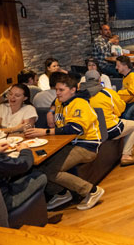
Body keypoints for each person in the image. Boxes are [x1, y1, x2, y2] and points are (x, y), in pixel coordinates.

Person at [24, 73, 104, 210]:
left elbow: (75, 128)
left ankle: (92, 191)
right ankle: (61, 193)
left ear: (73, 90)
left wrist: (45, 132)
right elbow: (54, 103)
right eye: (56, 90)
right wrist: (50, 112)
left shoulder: (80, 103)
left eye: (61, 90)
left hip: (87, 146)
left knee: (51, 171)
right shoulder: (60, 101)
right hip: (69, 144)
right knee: (40, 165)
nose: (58, 93)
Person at [80, 70, 134, 167]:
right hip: (108, 130)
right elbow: (120, 109)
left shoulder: (78, 95)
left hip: (88, 131)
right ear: (99, 79)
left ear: (85, 80)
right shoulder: (107, 93)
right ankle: (126, 155)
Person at [0, 141, 47, 212]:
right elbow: (23, 164)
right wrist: (25, 150)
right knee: (40, 176)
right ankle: (40, 212)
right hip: (3, 203)